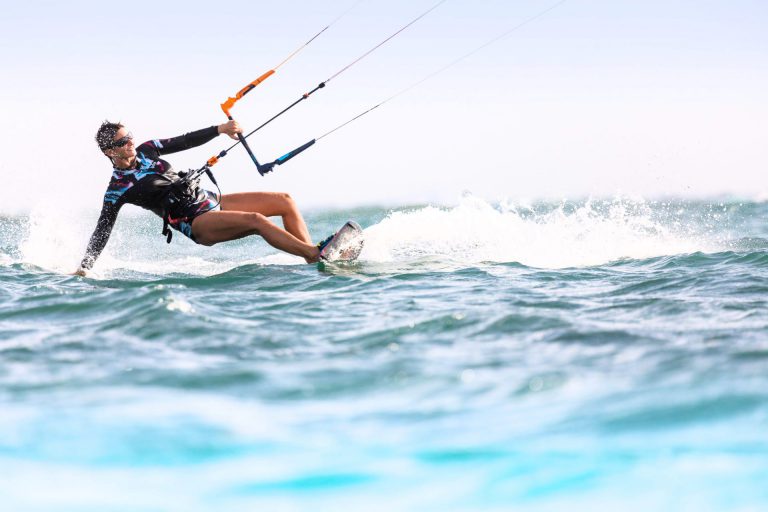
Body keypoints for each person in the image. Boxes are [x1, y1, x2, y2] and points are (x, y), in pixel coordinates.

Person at [74, 120, 328, 276]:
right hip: (193, 221)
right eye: (124, 141)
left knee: (284, 200)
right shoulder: (117, 189)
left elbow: (185, 141)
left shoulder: (148, 150)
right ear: (110, 151)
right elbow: (102, 230)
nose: (131, 142)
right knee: (257, 220)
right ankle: (316, 254)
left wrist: (219, 129)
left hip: (208, 199)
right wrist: (85, 267)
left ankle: (310, 260)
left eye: (130, 136)